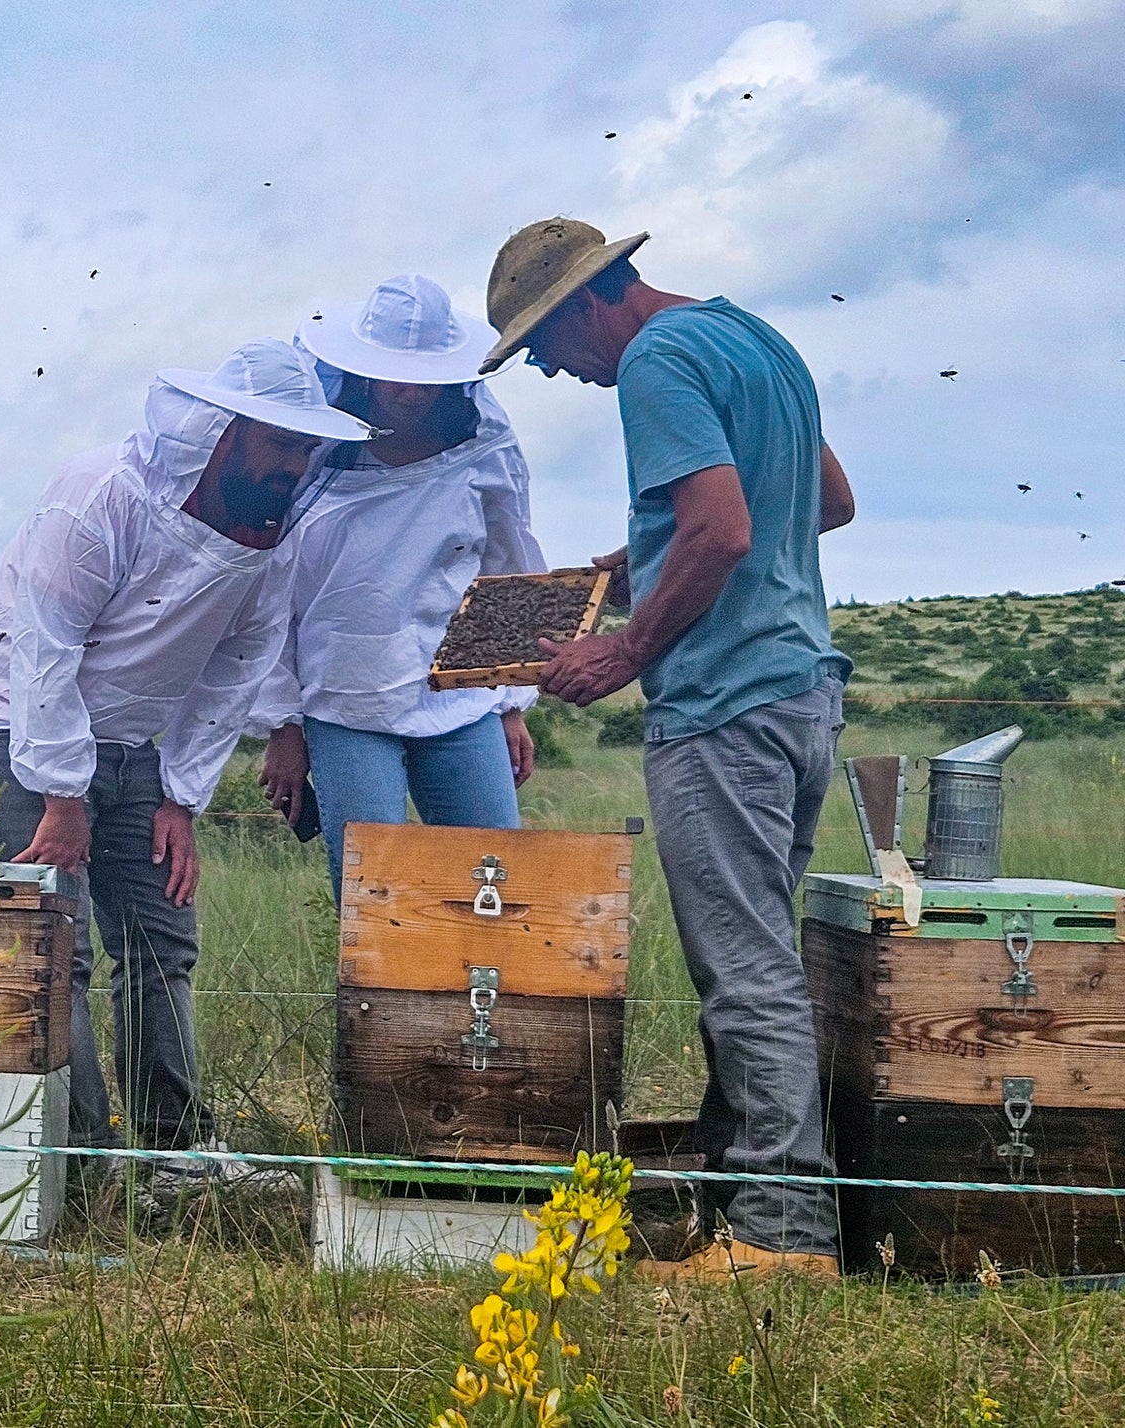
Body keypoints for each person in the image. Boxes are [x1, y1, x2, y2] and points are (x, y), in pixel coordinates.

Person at [478, 218, 857, 1281]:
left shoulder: (652, 362)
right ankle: (739, 1196)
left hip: (723, 705)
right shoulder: (753, 340)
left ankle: (784, 1233)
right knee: (757, 957)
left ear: (585, 304)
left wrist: (624, 651)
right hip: (798, 692)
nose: (556, 371)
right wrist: (638, 558)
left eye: (544, 347)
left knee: (743, 973)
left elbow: (722, 530)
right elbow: (824, 503)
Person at [0, 339, 372, 1203]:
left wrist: (180, 796)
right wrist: (64, 796)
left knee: (160, 940)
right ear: (225, 431)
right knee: (54, 942)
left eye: (307, 446)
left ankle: (173, 1154)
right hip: (7, 716)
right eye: (281, 443)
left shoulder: (275, 526)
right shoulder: (101, 494)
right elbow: (46, 648)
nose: (297, 463)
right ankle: (86, 1171)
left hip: (137, 738)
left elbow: (237, 665)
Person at [252, 274, 547, 897]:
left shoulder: (486, 447)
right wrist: (284, 722)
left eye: (424, 376)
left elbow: (508, 567)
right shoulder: (309, 451)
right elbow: (268, 589)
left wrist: (511, 704)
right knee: (373, 898)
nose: (408, 392)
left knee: (493, 889)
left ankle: (486, 1000)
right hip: (344, 700)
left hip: (462, 700)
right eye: (391, 373)